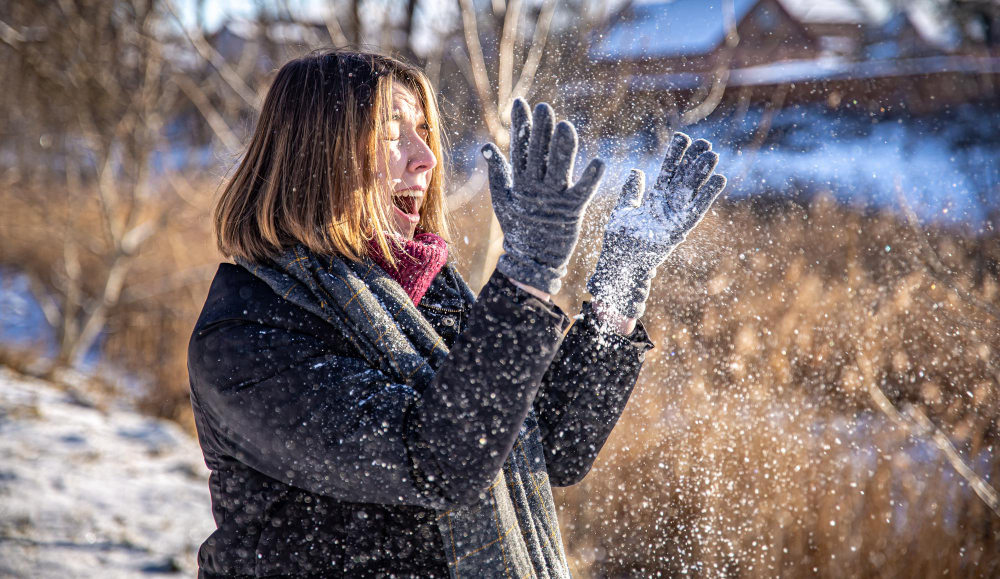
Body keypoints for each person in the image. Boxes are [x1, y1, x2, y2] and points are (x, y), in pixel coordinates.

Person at [187, 47, 726, 579]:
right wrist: (526, 279)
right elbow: (438, 459)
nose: (427, 157)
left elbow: (550, 445)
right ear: (317, 156)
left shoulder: (425, 293)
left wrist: (617, 291)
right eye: (393, 134)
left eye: (424, 130)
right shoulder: (245, 335)